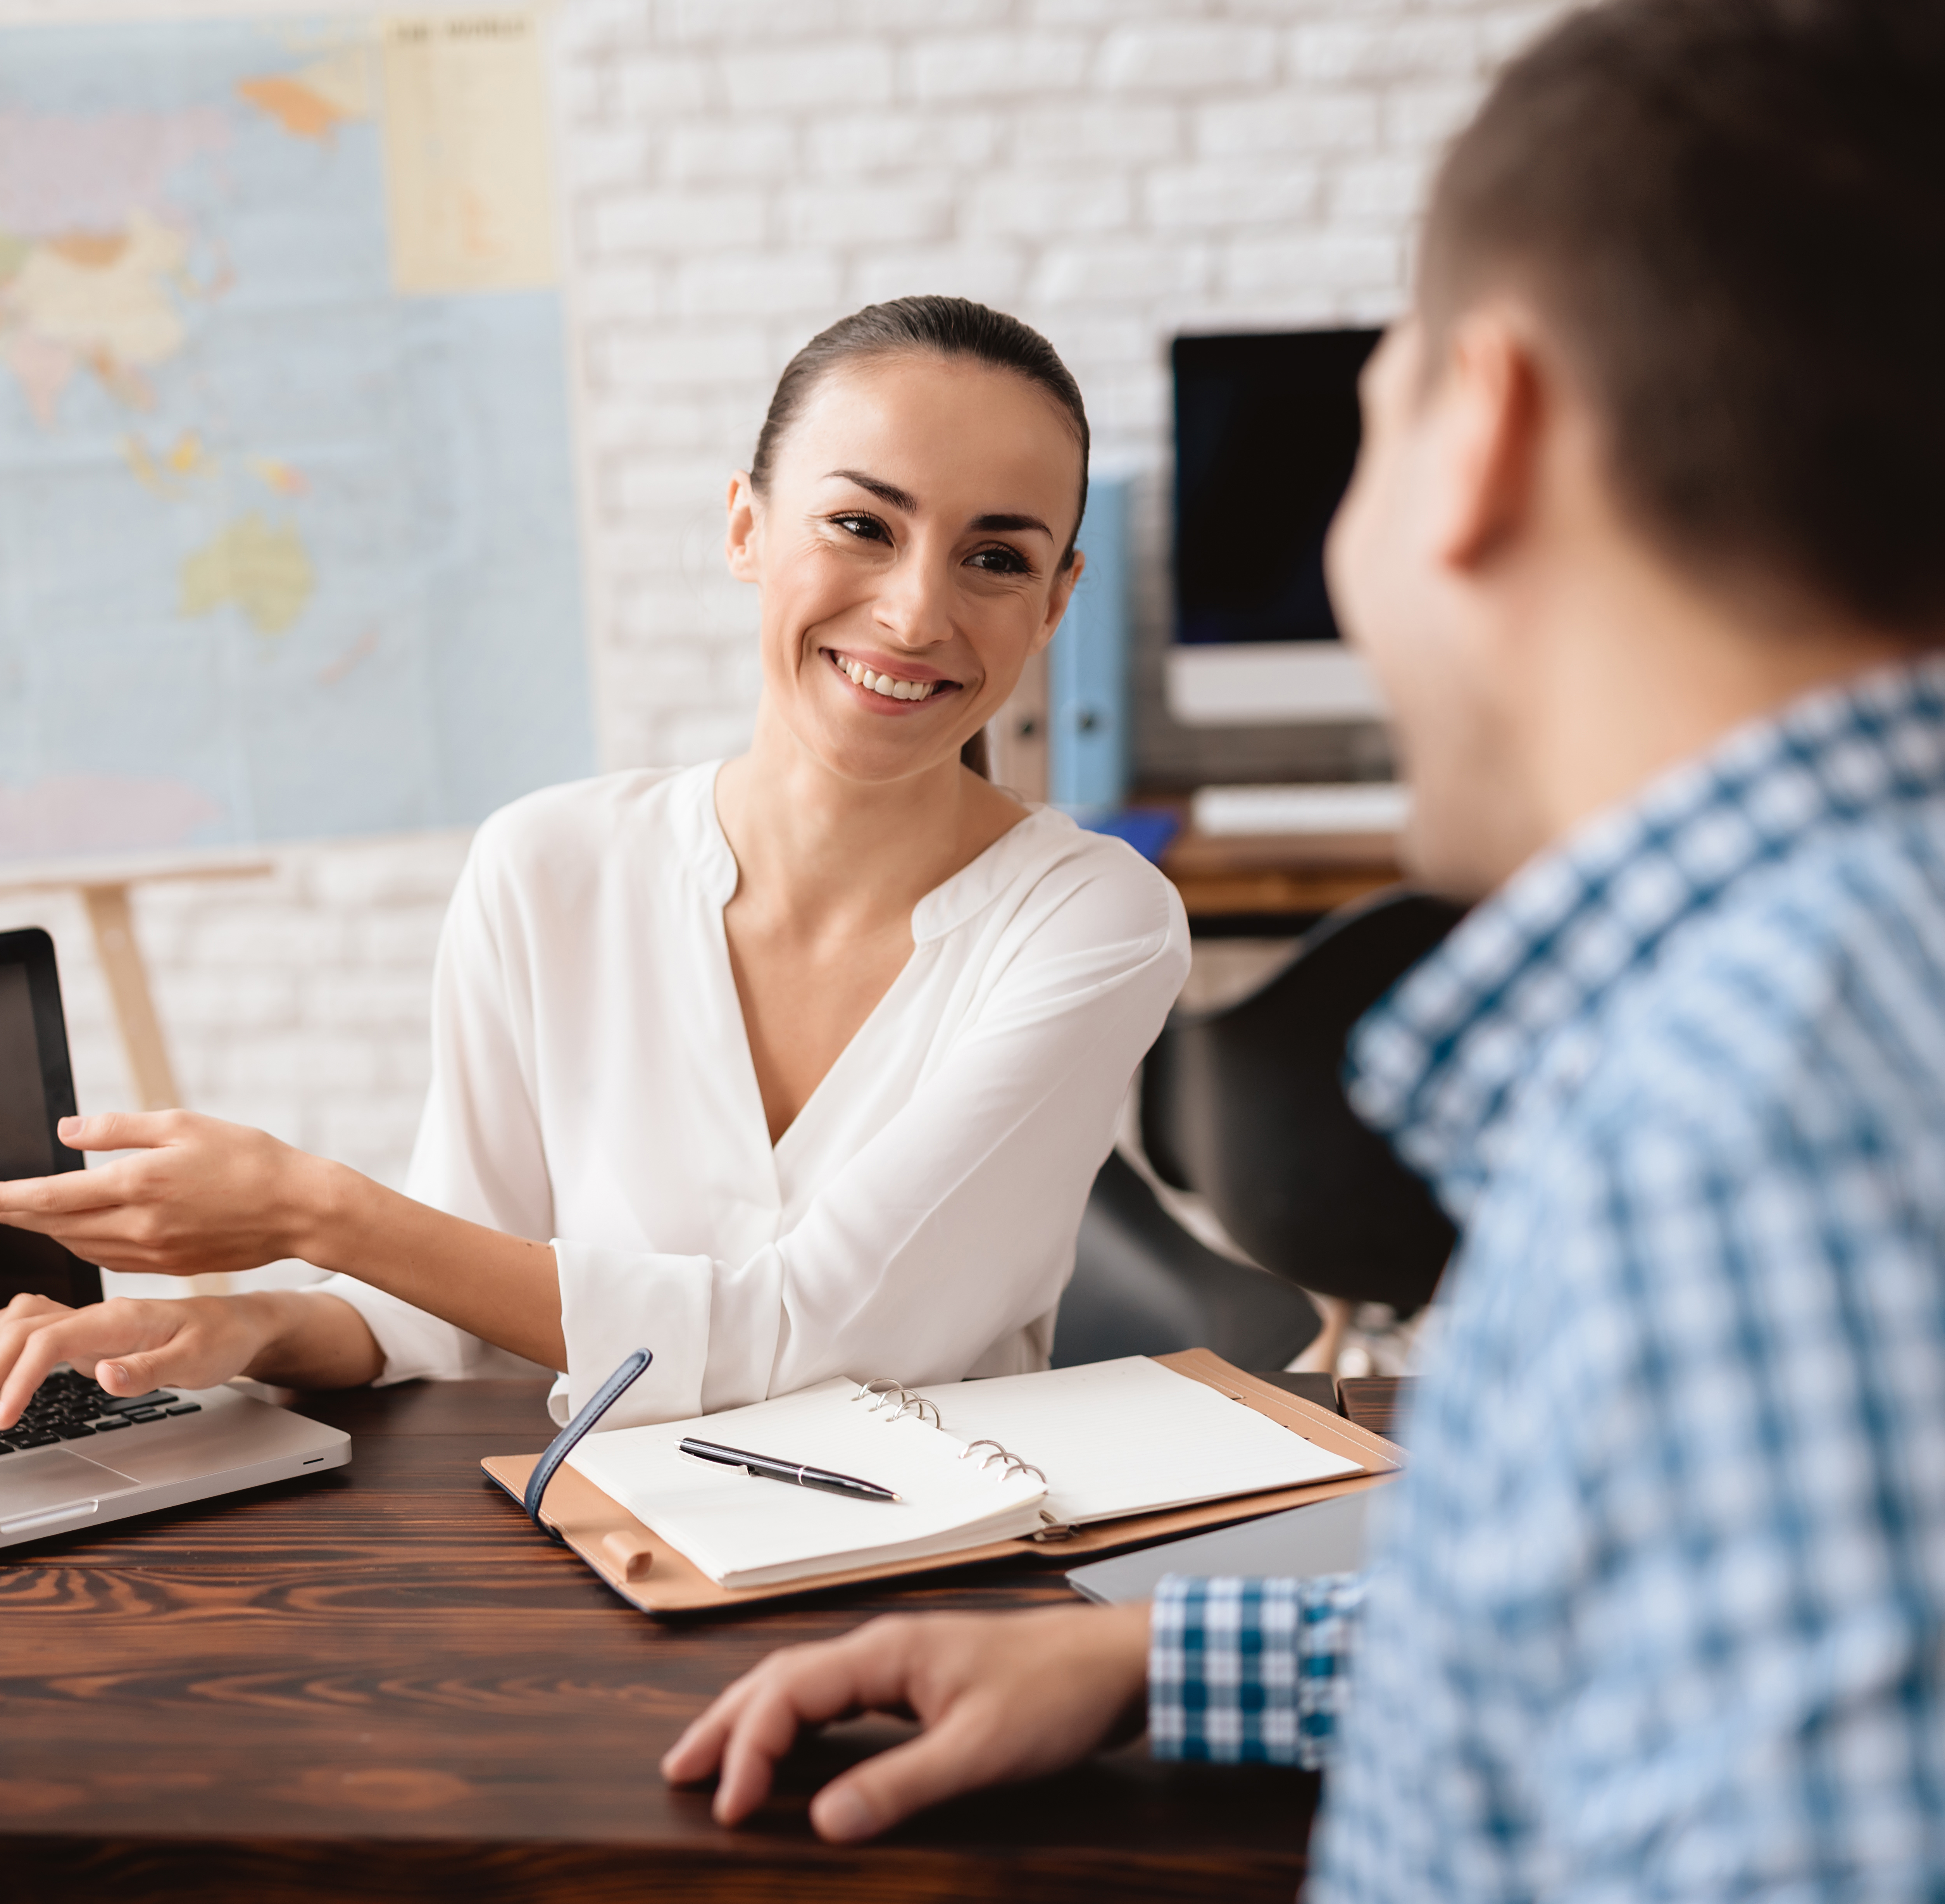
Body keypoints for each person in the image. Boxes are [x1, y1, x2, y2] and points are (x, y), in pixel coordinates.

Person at [666, 0, 1945, 1892]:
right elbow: (1655, 1634)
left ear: (1482, 432)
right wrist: (1155, 1658)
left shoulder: (1747, 1125)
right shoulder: (1838, 995)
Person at [0, 298, 1191, 1436]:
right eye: (862, 525)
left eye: (996, 558)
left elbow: (812, 1345)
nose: (918, 614)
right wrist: (245, 1326)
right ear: (746, 528)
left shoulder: (1093, 921)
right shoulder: (547, 866)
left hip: (936, 1601)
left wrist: (317, 1209)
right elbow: (455, 1305)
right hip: (596, 1569)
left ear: (1058, 600)